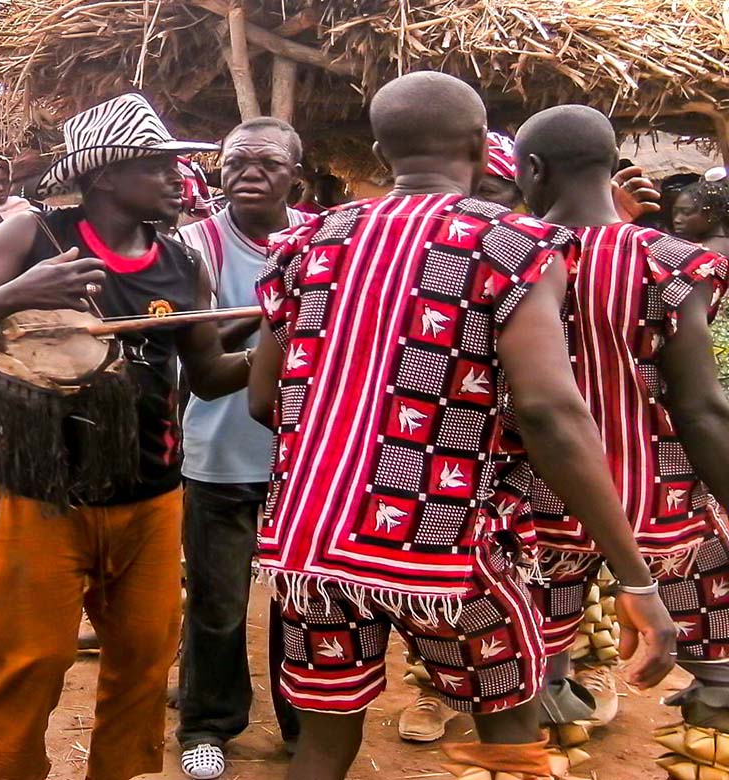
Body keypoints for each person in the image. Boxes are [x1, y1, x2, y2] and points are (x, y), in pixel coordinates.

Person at [248, 71, 676, 780]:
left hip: (306, 544)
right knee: (509, 732)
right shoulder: (512, 243)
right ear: (481, 145)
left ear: (381, 150)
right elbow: (549, 410)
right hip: (442, 541)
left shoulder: (309, 243)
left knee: (322, 744)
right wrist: (636, 579)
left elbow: (265, 399)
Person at [0, 92, 253, 780]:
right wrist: (21, 290)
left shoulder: (183, 263)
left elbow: (213, 374)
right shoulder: (33, 237)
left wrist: (282, 324)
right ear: (105, 175)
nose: (176, 179)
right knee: (27, 659)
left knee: (142, 657)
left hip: (152, 493)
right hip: (42, 493)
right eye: (158, 166)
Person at [507, 104, 729, 774]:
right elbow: (700, 407)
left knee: (533, 680)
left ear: (533, 171)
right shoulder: (669, 262)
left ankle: (545, 742)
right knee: (720, 679)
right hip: (663, 507)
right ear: (611, 167)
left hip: (536, 508)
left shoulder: (501, 255)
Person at [174, 116, 308, 779]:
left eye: (268, 164)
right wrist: (279, 321)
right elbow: (194, 356)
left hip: (306, 457)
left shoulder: (321, 241)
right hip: (218, 449)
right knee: (216, 601)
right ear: (216, 169)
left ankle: (303, 723)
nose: (250, 174)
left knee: (303, 603)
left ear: (296, 177)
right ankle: (207, 725)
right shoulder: (194, 245)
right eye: (237, 161)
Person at [672, 177, 729, 257]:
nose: (677, 220)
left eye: (686, 212)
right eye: (674, 213)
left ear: (712, 214)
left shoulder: (699, 254)